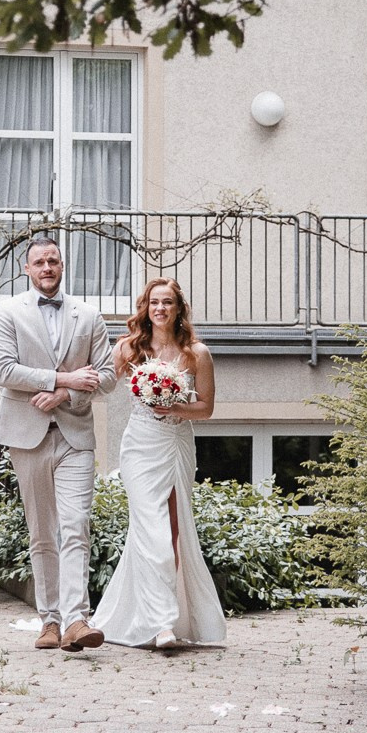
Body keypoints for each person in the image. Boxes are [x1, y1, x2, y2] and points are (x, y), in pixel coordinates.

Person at [0, 235, 117, 652]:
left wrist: (67, 395)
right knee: (43, 532)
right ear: (27, 269)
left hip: (75, 434)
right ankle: (49, 621)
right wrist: (63, 379)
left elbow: (109, 375)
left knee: (76, 525)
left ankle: (78, 619)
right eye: (39, 262)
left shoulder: (89, 315)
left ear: (62, 266)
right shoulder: (7, 312)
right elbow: (4, 370)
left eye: (53, 261)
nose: (47, 268)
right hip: (27, 436)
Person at [92, 278, 228, 650]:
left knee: (172, 531)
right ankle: (162, 623)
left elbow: (207, 408)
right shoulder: (128, 348)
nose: (161, 309)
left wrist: (176, 407)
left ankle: (162, 616)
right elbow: (103, 384)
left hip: (175, 443)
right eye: (154, 302)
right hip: (139, 446)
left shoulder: (196, 354)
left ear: (178, 308)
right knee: (151, 530)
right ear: (145, 307)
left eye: (168, 302)